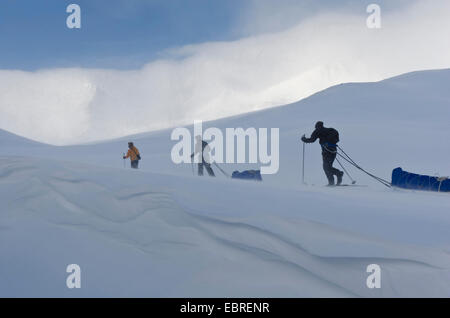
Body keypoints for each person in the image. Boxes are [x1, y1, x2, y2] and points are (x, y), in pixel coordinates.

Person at [301, 121, 344, 186]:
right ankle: (335, 178)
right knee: (328, 167)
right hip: (333, 150)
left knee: (326, 167)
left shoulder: (317, 131)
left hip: (326, 151)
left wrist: (304, 139)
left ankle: (334, 178)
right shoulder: (330, 130)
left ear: (316, 126)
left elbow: (312, 140)